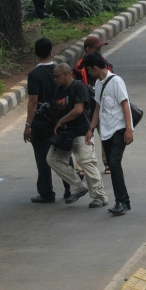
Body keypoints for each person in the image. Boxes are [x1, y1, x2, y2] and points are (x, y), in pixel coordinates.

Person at [46, 63, 108, 208]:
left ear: (67, 74)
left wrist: (61, 121)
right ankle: (78, 186)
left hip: (81, 132)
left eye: (57, 76)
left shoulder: (78, 87)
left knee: (87, 162)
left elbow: (78, 110)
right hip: (64, 135)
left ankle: (100, 196)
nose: (55, 79)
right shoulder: (59, 90)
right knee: (52, 159)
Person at [84, 53, 133, 216]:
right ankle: (122, 201)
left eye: (89, 70)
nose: (89, 74)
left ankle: (122, 201)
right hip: (106, 132)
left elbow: (125, 105)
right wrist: (91, 128)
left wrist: (128, 129)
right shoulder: (98, 83)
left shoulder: (116, 81)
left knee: (114, 162)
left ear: (95, 68)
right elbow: (98, 107)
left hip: (119, 129)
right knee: (112, 165)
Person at [24, 38, 71, 203]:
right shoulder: (58, 71)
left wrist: (28, 125)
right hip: (61, 119)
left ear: (35, 54)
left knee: (43, 157)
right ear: (52, 52)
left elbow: (32, 102)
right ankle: (70, 189)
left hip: (41, 123)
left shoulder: (34, 75)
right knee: (64, 154)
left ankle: (47, 192)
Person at [73, 36, 114, 175]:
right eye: (96, 49)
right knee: (84, 136)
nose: (99, 52)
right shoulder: (78, 68)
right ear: (88, 49)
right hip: (86, 107)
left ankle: (108, 162)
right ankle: (80, 167)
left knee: (105, 133)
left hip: (101, 105)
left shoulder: (106, 65)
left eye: (100, 49)